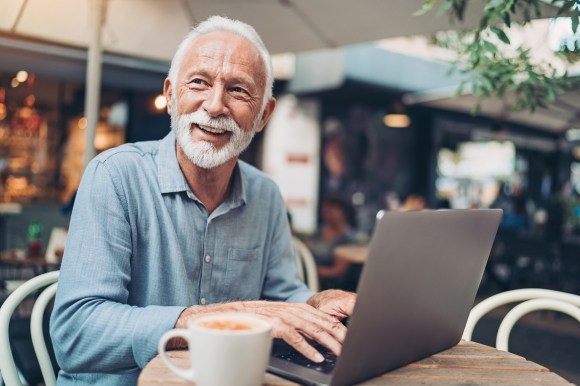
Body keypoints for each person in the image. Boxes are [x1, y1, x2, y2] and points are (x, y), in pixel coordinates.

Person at [50, 16, 356, 386]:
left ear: (263, 116)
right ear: (172, 95)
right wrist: (214, 319)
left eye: (239, 91)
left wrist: (317, 304)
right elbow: (75, 334)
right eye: (199, 82)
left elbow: (283, 295)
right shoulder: (114, 176)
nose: (214, 106)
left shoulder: (266, 195)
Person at [306, 195, 359, 291]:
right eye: (325, 208)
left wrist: (310, 270)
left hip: (333, 287)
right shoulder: (318, 233)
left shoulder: (347, 238)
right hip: (311, 281)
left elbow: (338, 271)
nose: (327, 211)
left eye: (332, 208)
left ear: (343, 212)